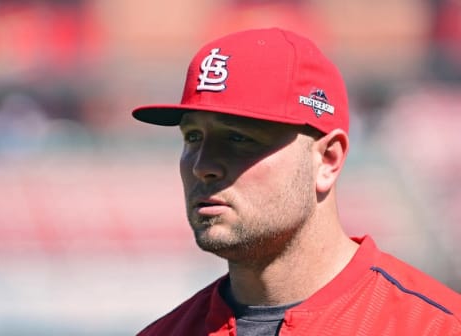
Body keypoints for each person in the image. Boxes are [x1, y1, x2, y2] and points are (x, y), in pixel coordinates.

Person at [131, 28, 461, 335]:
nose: (203, 166)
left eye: (238, 138)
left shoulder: (434, 326)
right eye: (193, 137)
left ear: (327, 160)